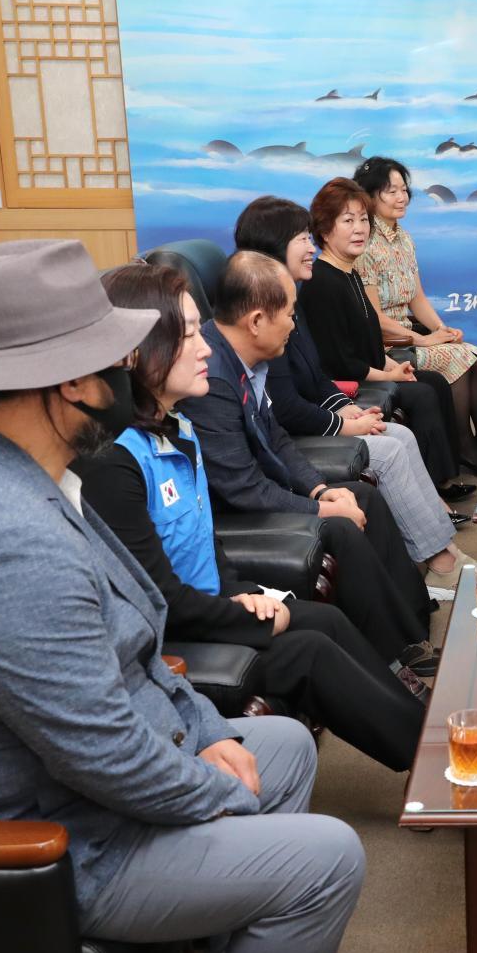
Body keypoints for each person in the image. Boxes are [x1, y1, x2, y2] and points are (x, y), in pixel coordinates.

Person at [0, 240, 364, 953]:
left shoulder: (28, 471)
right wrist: (217, 790)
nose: (127, 370)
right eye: (115, 355)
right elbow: (98, 749)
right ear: (71, 381)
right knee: (327, 856)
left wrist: (206, 727)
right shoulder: (1, 540)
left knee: (285, 749)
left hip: (90, 789)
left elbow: (138, 639)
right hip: (53, 842)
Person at [79, 261, 431, 751]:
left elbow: (205, 544)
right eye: (187, 336)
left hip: (214, 604)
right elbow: (157, 602)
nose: (205, 346)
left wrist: (246, 593)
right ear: (136, 353)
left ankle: (426, 730)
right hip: (175, 636)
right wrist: (247, 615)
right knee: (308, 649)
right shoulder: (113, 464)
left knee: (325, 620)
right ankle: (430, 755)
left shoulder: (177, 428)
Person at [177, 249, 437, 673]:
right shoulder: (214, 379)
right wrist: (320, 508)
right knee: (339, 525)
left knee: (361, 499)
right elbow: (242, 488)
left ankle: (412, 629)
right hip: (236, 513)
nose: (294, 325)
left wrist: (321, 488)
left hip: (261, 491)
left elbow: (276, 437)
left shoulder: (242, 356)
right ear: (257, 320)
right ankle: (394, 656)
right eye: (289, 315)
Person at [233, 195, 476, 590]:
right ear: (275, 246)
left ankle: (440, 550)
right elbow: (286, 407)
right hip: (294, 439)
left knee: (400, 434)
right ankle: (440, 560)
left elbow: (315, 378)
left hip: (315, 420)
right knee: (390, 449)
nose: (311, 246)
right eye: (302, 238)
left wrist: (347, 409)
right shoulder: (264, 312)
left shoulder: (292, 297)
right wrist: (341, 425)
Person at [301, 177, 477, 476]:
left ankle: (445, 474)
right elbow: (339, 362)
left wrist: (392, 368)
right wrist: (387, 373)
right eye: (348, 220)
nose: (359, 228)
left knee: (433, 381)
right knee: (422, 393)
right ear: (324, 230)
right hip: (346, 383)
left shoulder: (349, 274)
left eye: (363, 219)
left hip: (368, 370)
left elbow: (368, 343)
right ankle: (435, 483)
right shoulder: (322, 283)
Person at [354, 156, 477, 471]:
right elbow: (372, 318)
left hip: (411, 337)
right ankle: (465, 445)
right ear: (369, 195)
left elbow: (417, 298)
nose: (401, 197)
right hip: (388, 347)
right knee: (460, 358)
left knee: (470, 354)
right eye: (390, 191)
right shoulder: (364, 244)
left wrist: (442, 331)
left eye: (404, 189)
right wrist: (424, 339)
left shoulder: (404, 238)